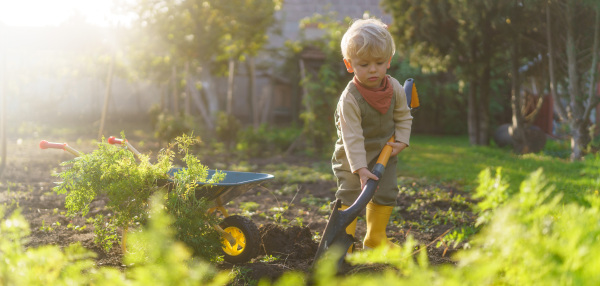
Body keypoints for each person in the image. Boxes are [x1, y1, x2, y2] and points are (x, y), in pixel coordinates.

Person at [332, 18, 412, 250]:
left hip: (383, 153)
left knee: (386, 192)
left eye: (378, 62)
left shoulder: (395, 87)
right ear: (350, 65)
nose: (373, 69)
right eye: (364, 64)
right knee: (350, 194)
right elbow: (352, 136)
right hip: (351, 157)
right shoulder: (350, 98)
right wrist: (360, 168)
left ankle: (375, 239)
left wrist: (402, 140)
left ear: (388, 61)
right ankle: (342, 243)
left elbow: (404, 115)